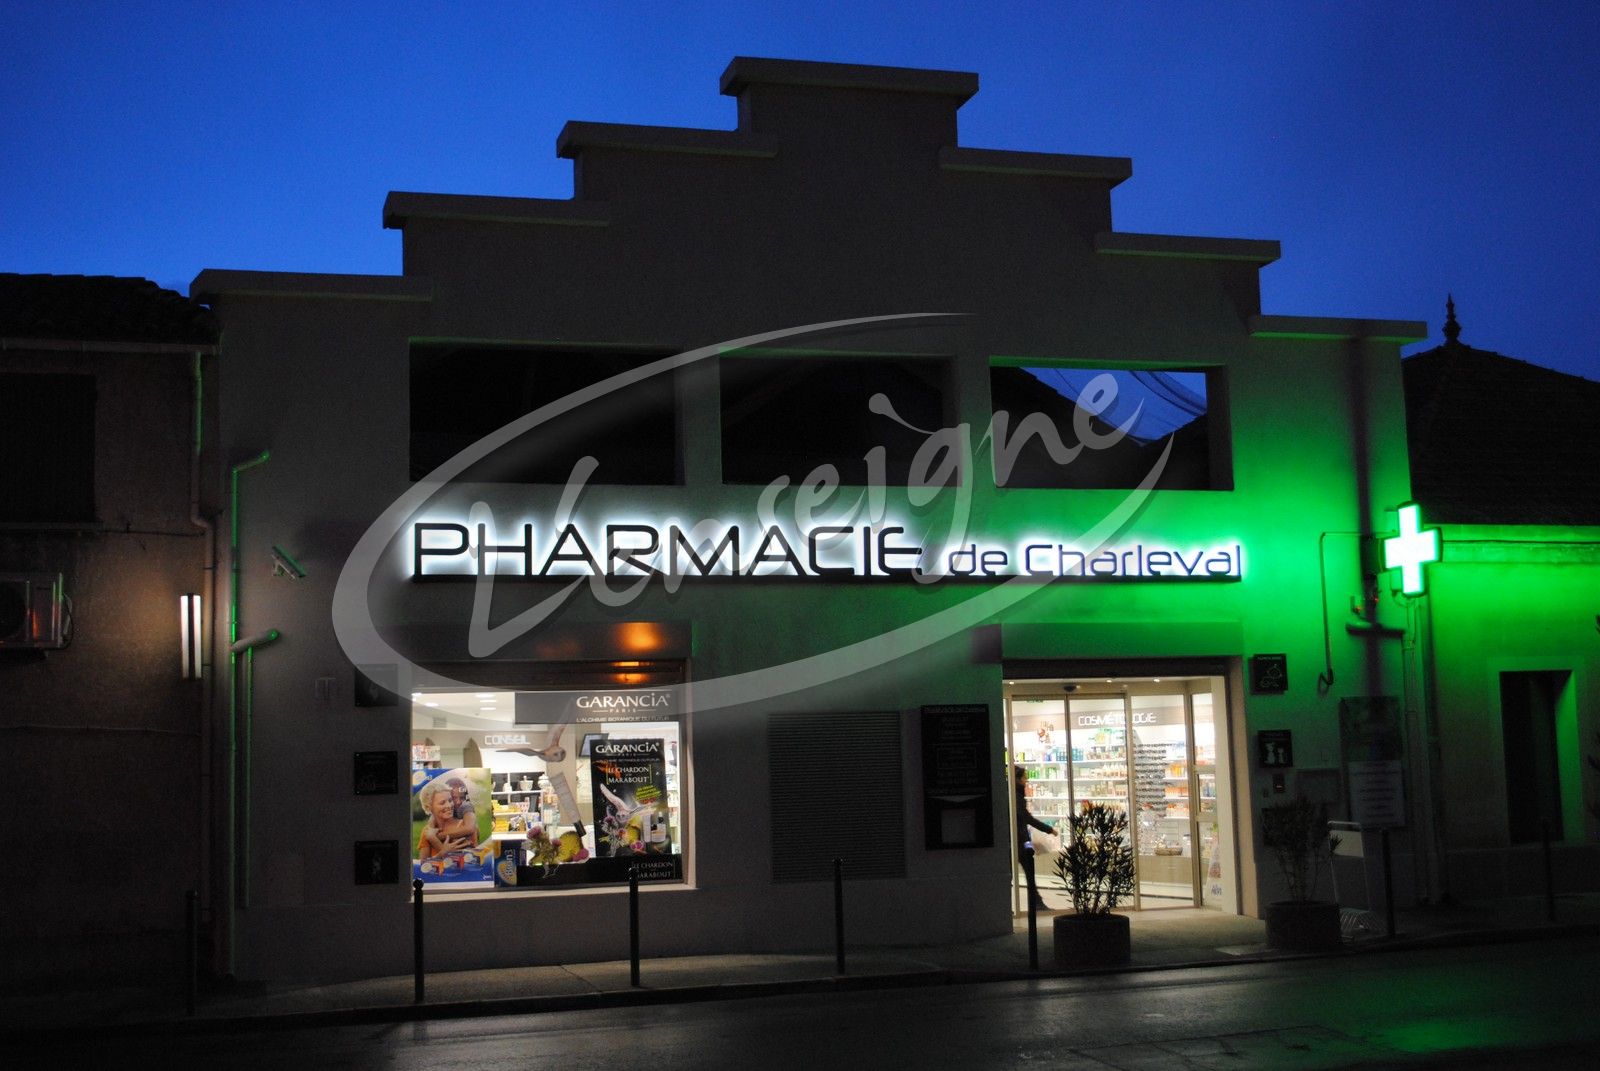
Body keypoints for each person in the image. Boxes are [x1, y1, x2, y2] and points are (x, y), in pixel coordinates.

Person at [1014, 765, 1057, 912]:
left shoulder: (1014, 794)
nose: (1026, 780)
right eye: (1024, 777)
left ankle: (1036, 903)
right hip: (1020, 841)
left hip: (1016, 840)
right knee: (1029, 872)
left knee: (1024, 872)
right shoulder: (1016, 796)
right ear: (1018, 779)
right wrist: (1049, 829)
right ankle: (1037, 903)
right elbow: (1027, 818)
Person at [418, 778, 477, 861]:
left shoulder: (464, 826)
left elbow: (475, 861)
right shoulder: (427, 832)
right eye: (442, 803)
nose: (449, 805)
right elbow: (422, 865)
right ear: (429, 807)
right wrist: (441, 854)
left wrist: (436, 838)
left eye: (450, 800)